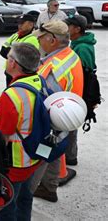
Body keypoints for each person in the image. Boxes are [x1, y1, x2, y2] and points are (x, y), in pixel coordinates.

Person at [31, 20, 83, 202]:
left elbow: (39, 98)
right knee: (54, 152)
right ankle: (48, 187)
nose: (38, 42)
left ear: (52, 40)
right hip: (67, 116)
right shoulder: (70, 55)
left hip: (52, 122)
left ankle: (36, 188)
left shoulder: (53, 69)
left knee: (43, 155)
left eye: (41, 38)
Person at [0, 43, 43, 221]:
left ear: (13, 64)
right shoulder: (39, 82)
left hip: (13, 165)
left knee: (2, 208)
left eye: (8, 58)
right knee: (24, 199)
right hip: (33, 157)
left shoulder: (12, 96)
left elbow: (2, 137)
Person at [65, 15, 96, 166]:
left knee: (70, 123)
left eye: (69, 26)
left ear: (77, 29)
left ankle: (70, 156)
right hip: (77, 90)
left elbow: (85, 74)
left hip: (79, 91)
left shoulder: (82, 48)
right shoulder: (77, 43)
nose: (67, 28)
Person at [0, 14, 39, 86]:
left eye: (22, 23)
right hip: (10, 72)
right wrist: (13, 53)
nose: (19, 25)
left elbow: (22, 58)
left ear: (31, 24)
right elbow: (2, 50)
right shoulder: (15, 35)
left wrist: (10, 51)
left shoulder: (32, 39)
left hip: (20, 74)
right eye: (19, 23)